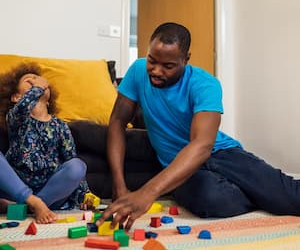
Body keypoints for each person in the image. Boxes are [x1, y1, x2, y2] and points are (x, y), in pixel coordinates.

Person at [97, 22, 300, 231]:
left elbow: (202, 145)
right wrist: (119, 184)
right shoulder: (138, 71)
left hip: (222, 154)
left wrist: (147, 192)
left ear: (186, 59)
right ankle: (262, 195)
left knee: (290, 199)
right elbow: (117, 122)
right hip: (179, 167)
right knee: (209, 199)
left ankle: (267, 193)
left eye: (168, 66)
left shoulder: (205, 84)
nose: (156, 71)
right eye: (152, 60)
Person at [0, 62, 89, 224]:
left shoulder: (60, 125)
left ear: (48, 101)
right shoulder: (16, 119)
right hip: (17, 188)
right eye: (29, 81)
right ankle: (32, 202)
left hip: (50, 193)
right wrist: (38, 87)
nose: (37, 82)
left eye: (41, 81)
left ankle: (28, 206)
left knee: (78, 166)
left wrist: (85, 195)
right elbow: (21, 109)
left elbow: (70, 161)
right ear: (16, 98)